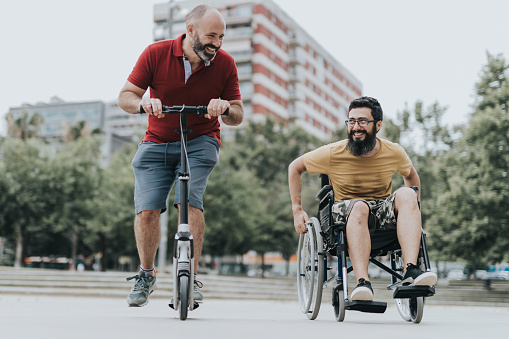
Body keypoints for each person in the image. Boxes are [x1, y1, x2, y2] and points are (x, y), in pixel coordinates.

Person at [118, 4, 243, 307]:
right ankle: (146, 275)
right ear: (190, 30)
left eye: (222, 37)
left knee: (190, 201)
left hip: (201, 139)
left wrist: (224, 107)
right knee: (147, 211)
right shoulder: (155, 53)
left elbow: (237, 114)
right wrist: (144, 104)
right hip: (157, 140)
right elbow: (125, 96)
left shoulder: (225, 64)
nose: (217, 43)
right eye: (211, 35)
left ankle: (193, 277)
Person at [288, 96, 436, 301]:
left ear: (378, 125)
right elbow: (295, 168)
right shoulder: (332, 152)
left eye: (362, 121)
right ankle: (362, 283)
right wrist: (297, 210)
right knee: (359, 207)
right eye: (351, 121)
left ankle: (410, 270)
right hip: (346, 211)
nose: (355, 127)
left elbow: (411, 177)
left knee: (407, 194)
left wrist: (412, 215)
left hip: (381, 211)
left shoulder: (393, 152)